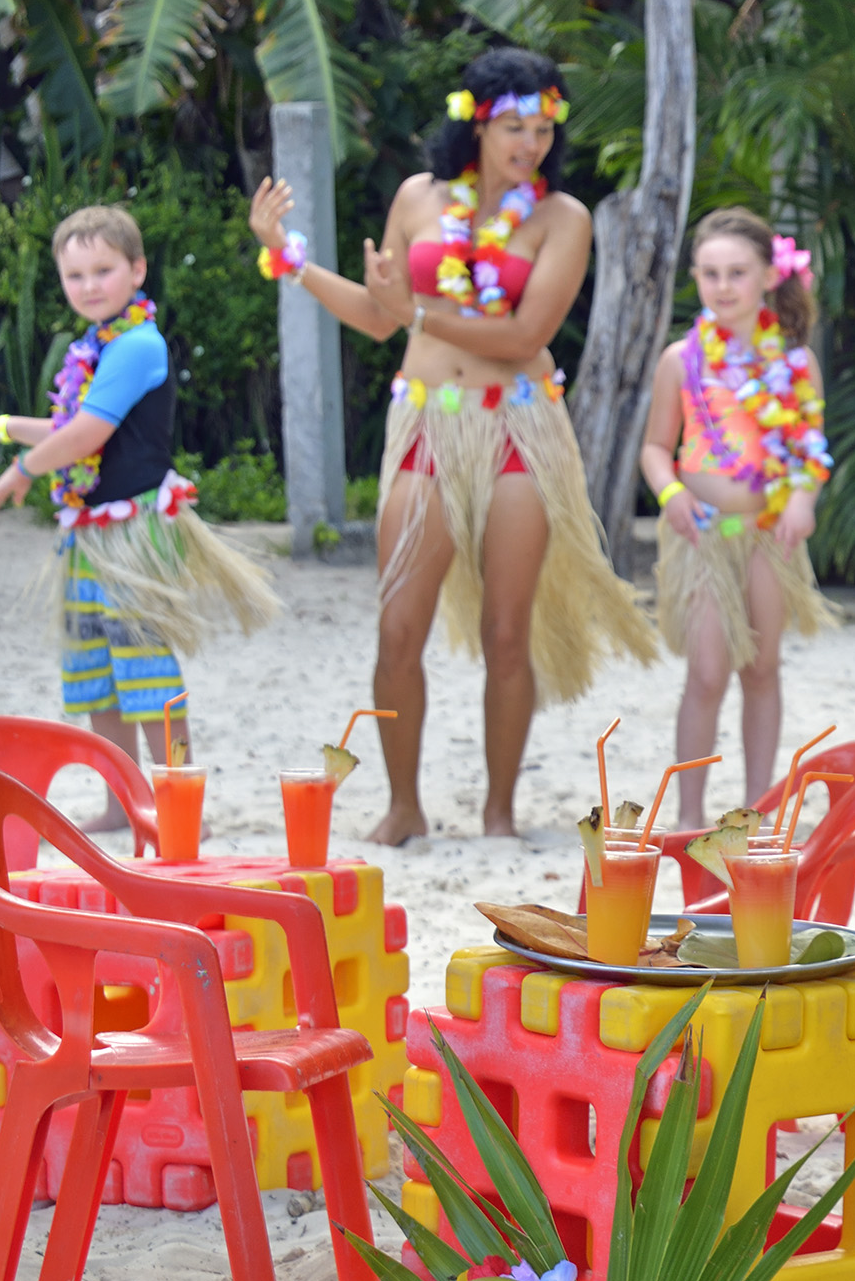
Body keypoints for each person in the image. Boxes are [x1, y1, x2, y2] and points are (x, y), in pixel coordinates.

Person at [248, 46, 655, 843]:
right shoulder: (417, 198)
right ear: (475, 123)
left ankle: (499, 813)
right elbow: (380, 315)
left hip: (518, 429)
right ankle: (403, 805)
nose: (531, 143)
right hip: (428, 425)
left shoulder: (562, 219)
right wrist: (289, 257)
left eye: (542, 129)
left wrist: (419, 315)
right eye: (514, 127)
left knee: (506, 630)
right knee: (398, 626)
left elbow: (524, 334)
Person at [0, 204, 278, 782]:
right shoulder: (101, 344)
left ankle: (181, 806)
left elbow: (86, 435)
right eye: (74, 275)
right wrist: (2, 427)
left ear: (137, 270)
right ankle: (122, 801)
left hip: (136, 532)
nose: (89, 286)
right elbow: (73, 429)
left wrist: (22, 470)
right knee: (96, 671)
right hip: (91, 534)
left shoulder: (136, 346)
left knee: (145, 668)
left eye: (103, 271)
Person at [637, 208, 839, 829]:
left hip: (768, 536)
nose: (723, 286)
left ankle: (757, 809)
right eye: (709, 274)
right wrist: (670, 493)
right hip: (703, 535)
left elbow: (809, 449)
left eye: (737, 272)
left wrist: (803, 499)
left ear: (769, 277)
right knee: (706, 672)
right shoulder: (682, 360)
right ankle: (689, 815)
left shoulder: (795, 362)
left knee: (761, 666)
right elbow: (655, 448)